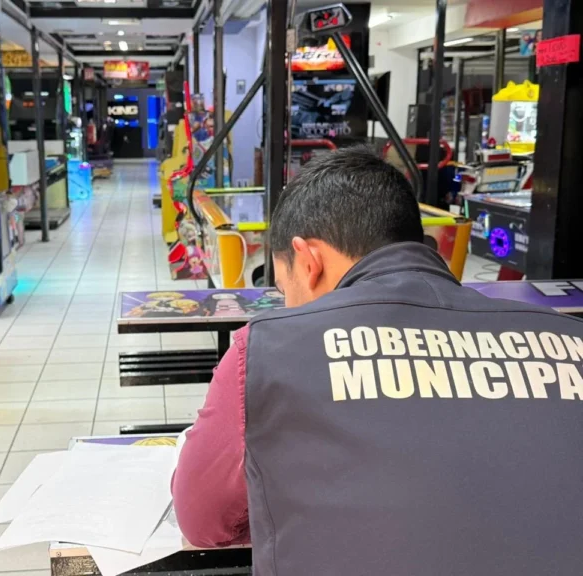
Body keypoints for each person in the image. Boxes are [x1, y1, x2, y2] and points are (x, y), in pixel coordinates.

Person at [172, 146, 583, 575]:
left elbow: (203, 521)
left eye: (283, 288)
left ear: (308, 261)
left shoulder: (265, 349)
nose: (286, 305)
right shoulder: (571, 340)